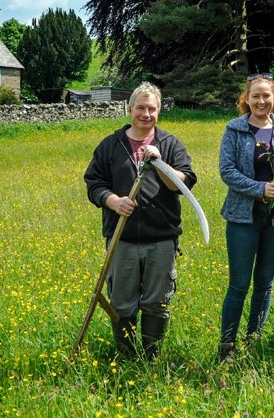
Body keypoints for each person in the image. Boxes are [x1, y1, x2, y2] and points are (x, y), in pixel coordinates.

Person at [84, 81, 197, 360]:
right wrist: (113, 201)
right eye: (141, 108)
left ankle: (150, 357)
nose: (146, 114)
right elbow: (94, 183)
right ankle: (127, 358)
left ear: (159, 111)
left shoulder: (170, 144)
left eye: (152, 109)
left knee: (157, 302)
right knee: (122, 303)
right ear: (130, 109)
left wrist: (161, 163)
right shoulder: (111, 145)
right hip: (121, 238)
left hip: (161, 239)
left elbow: (184, 182)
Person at [218, 73, 274, 360]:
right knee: (239, 284)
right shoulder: (234, 129)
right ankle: (227, 345)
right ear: (246, 99)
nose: (261, 101)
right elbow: (227, 171)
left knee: (265, 281)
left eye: (266, 95)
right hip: (242, 217)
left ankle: (253, 340)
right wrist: (259, 189)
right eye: (255, 96)